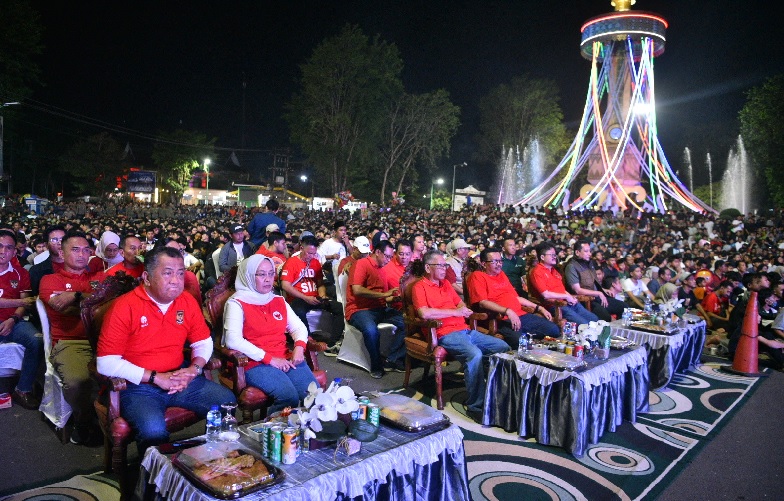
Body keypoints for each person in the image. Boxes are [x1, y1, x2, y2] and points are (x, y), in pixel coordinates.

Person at [97, 246, 235, 456]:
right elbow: (106, 363)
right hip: (138, 386)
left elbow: (203, 342)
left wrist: (194, 369)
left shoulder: (186, 301)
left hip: (180, 377)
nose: (176, 280)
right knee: (153, 430)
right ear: (147, 277)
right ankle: (154, 481)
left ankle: (209, 462)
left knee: (226, 403)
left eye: (180, 273)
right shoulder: (124, 307)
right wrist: (156, 378)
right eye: (167, 273)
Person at [412, 250, 509, 423]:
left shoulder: (446, 285)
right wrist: (455, 312)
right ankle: (475, 406)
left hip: (464, 329)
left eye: (445, 265)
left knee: (503, 348)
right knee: (474, 355)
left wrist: (462, 309)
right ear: (428, 267)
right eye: (440, 265)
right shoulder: (419, 287)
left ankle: (494, 393)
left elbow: (460, 304)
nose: (444, 268)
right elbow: (424, 313)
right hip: (445, 333)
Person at [223, 255, 318, 415]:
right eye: (261, 274)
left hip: (284, 357)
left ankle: (305, 433)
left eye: (271, 273)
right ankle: (273, 435)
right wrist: (270, 359)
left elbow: (299, 328)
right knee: (288, 397)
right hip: (255, 362)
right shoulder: (236, 303)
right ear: (248, 277)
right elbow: (233, 340)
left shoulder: (278, 300)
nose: (268, 279)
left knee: (313, 395)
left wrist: (300, 347)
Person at [39, 231, 105, 445]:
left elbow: (113, 305)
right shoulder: (49, 280)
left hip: (104, 340)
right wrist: (95, 304)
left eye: (86, 250)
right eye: (75, 249)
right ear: (62, 251)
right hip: (70, 343)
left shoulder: (99, 278)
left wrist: (75, 296)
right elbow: (64, 311)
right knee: (78, 382)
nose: (82, 254)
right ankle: (84, 421)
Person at [466, 248, 560, 345]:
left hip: (521, 315)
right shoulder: (477, 276)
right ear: (483, 263)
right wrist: (507, 311)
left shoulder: (501, 274)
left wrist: (539, 308)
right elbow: (482, 302)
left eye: (500, 261)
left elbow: (516, 298)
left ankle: (527, 337)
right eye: (495, 261)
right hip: (500, 318)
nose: (499, 264)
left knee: (554, 330)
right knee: (521, 341)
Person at [344, 240, 406, 378]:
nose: (389, 260)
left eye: (391, 257)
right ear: (377, 252)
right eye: (388, 256)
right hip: (359, 309)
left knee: (409, 322)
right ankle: (376, 365)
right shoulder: (362, 263)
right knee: (371, 331)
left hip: (379, 308)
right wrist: (385, 294)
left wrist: (395, 298)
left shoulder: (382, 269)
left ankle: (392, 359)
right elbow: (357, 290)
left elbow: (383, 298)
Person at [0, 229, 43, 409]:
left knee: (36, 341)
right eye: (0, 246)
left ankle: (22, 389)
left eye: (9, 248)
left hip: (14, 322)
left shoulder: (21, 273)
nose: (3, 251)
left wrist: (13, 319)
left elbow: (26, 304)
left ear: (14, 251)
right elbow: (23, 300)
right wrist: (19, 301)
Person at [280, 235, 344, 348]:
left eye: (314, 253)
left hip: (315, 297)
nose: (311, 256)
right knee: (298, 310)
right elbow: (285, 285)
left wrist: (322, 295)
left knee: (339, 307)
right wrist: (305, 298)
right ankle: (308, 340)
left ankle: (332, 343)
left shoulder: (315, 262)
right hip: (299, 298)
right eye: (309, 253)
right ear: (301, 248)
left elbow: (320, 284)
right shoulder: (291, 262)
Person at [528, 241, 599, 325]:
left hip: (568, 302)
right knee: (584, 324)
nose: (555, 257)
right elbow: (545, 294)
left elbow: (561, 289)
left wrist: (569, 297)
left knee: (595, 320)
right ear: (542, 257)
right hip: (555, 305)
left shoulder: (554, 271)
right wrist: (566, 296)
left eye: (555, 255)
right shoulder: (537, 272)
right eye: (552, 255)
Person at [565, 240, 626, 321]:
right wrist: (598, 293)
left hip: (597, 297)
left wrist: (604, 290)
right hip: (587, 300)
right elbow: (577, 290)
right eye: (586, 251)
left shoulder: (589, 263)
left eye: (590, 251)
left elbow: (594, 283)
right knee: (606, 317)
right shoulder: (571, 267)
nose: (590, 254)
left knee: (624, 307)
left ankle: (621, 331)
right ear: (577, 252)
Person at [29, 225, 66, 296]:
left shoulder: (80, 267)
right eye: (54, 240)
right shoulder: (37, 271)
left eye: (63, 239)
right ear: (46, 245)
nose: (59, 243)